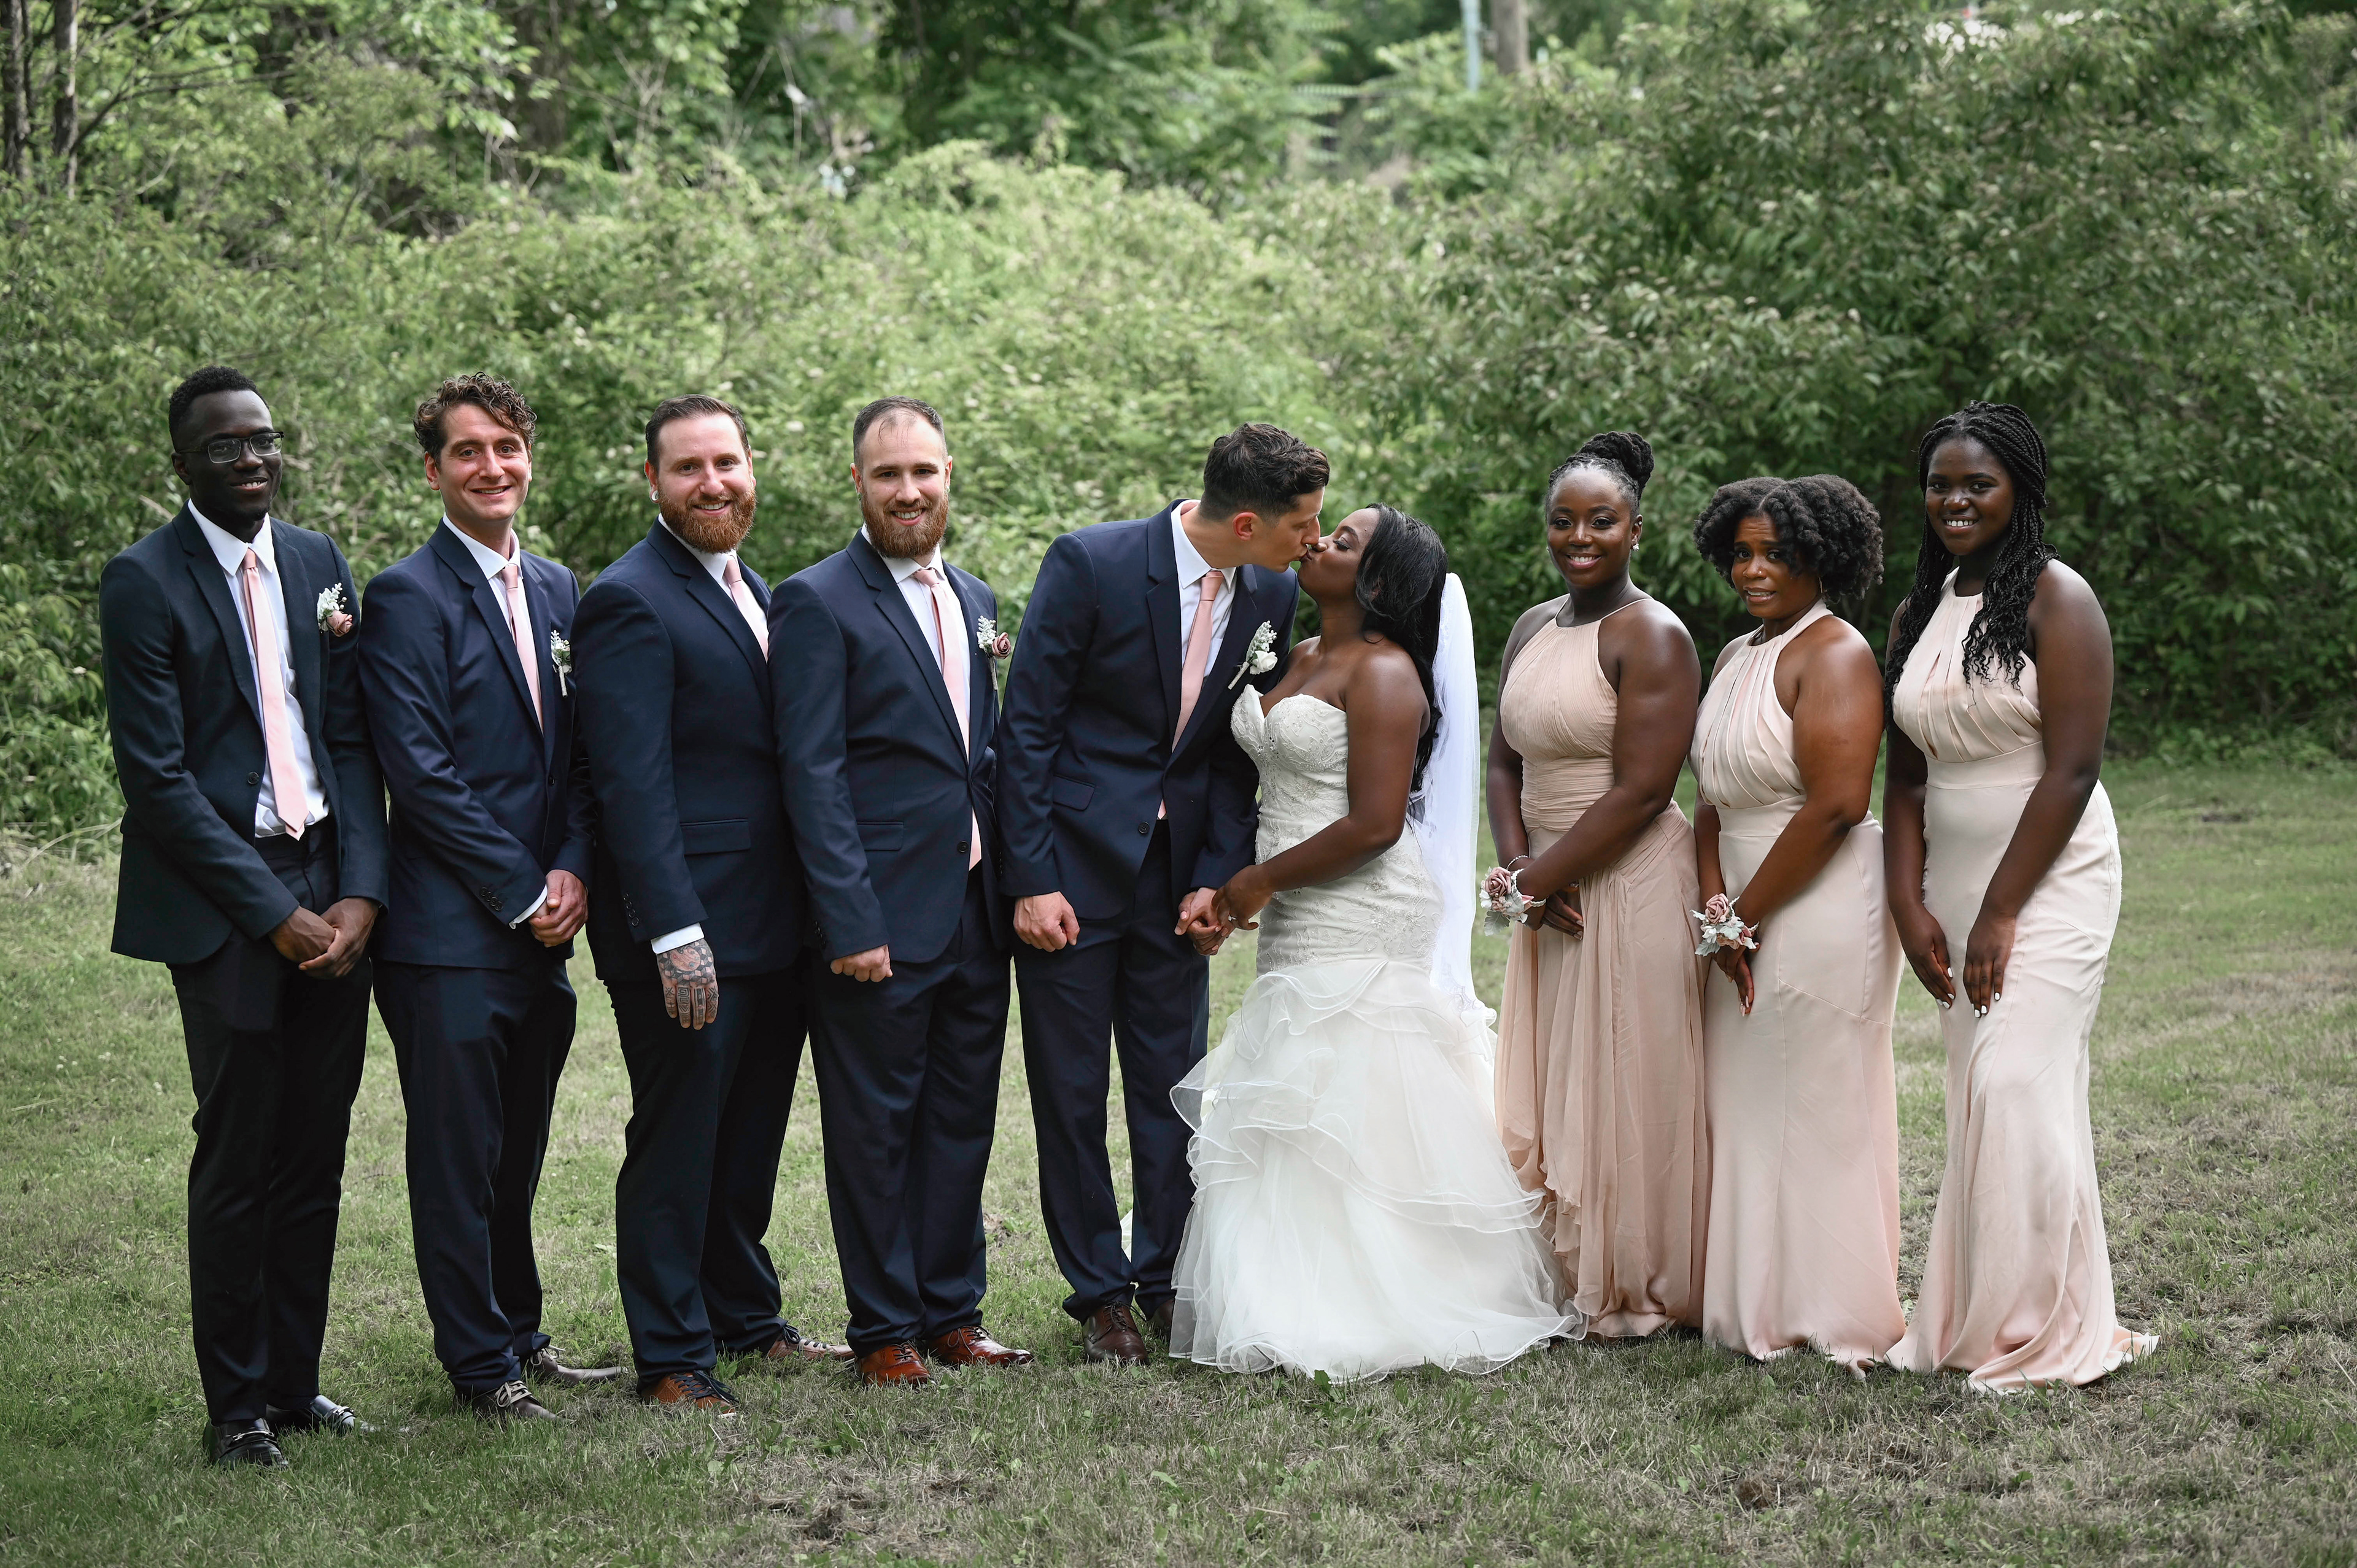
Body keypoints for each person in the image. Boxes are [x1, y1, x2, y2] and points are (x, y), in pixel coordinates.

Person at [1172, 508, 1574, 1379]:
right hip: (1292, 900)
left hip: (1361, 900)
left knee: (1355, 1083)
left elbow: (1375, 824)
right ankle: (1285, 1289)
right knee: (1296, 1089)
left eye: (1344, 542)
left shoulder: (1387, 672)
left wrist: (1255, 884)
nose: (1318, 542)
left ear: (1380, 582)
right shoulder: (1297, 654)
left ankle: (1392, 1294)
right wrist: (1239, 882)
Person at [99, 366, 387, 1467]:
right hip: (227, 902)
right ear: (183, 465)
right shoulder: (144, 580)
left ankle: (294, 1385)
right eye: (225, 446)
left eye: (262, 439)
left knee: (316, 1150)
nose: (252, 459)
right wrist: (274, 913)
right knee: (239, 1153)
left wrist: (359, 890)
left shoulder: (317, 562)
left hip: (331, 881)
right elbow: (158, 781)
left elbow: (350, 737)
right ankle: (237, 1411)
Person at [996, 423, 1319, 1363]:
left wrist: (1216, 873)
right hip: (1070, 878)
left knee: (1171, 1092)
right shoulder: (1090, 564)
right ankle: (1099, 1294)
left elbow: (1234, 753)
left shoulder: (1272, 591)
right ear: (1248, 523)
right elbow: (1030, 728)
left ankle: (1167, 1279)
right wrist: (1032, 879)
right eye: (1302, 523)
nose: (1315, 539)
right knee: (1069, 1095)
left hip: (1177, 886)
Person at [573, 395, 849, 1416]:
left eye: (726, 462)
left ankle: (742, 1314)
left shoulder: (757, 590)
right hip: (685, 929)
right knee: (680, 1138)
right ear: (653, 481)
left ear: (751, 468)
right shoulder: (629, 599)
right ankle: (671, 1356)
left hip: (772, 922)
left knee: (748, 1136)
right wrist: (674, 932)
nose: (712, 483)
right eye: (687, 467)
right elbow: (630, 782)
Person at [357, 375, 618, 1423]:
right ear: (434, 471)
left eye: (507, 447)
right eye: (468, 451)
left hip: (543, 932)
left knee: (518, 1156)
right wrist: (521, 889)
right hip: (446, 937)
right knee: (457, 1161)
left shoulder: (558, 589)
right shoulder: (405, 597)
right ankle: (479, 1367)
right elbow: (419, 773)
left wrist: (575, 868)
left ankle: (521, 1333)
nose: (492, 466)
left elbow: (583, 754)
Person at [1881, 401, 2156, 1391]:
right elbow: (1903, 782)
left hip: (2052, 871)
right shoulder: (1917, 612)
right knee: (1983, 1094)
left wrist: (2000, 912)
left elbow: (2073, 770)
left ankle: (2040, 1332)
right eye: (1941, 484)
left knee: (2017, 1084)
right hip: (1952, 878)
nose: (1955, 501)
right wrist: (1909, 904)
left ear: (2019, 490)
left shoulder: (2058, 598)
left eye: (1978, 484)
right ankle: (1993, 1318)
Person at [772, 398, 1029, 1387]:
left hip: (972, 909)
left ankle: (952, 1313)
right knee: (875, 1129)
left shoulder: (974, 595)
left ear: (947, 475)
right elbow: (812, 772)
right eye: (888, 475)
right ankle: (883, 1331)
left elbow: (980, 756)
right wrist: (849, 918)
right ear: (858, 483)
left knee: (961, 1119)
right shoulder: (816, 600)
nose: (908, 491)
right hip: (874, 917)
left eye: (924, 472)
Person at [1485, 430, 1707, 1339]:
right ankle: (1566, 1267)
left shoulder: (1654, 635)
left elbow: (1645, 789)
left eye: (1601, 521)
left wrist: (1541, 879)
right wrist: (1519, 870)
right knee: (1558, 1074)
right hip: (1550, 885)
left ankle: (1638, 1278)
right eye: (1563, 520)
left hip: (1627, 877)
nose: (1579, 538)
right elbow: (1505, 763)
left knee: (1626, 1075)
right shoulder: (1531, 627)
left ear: (1636, 530)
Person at [1687, 474, 1903, 1372]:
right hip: (1737, 901)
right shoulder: (1735, 654)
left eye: (1776, 554)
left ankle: (1833, 1307)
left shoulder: (1837, 653)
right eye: (1741, 553)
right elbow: (1708, 795)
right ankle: (1756, 1302)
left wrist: (1745, 917)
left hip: (1815, 900)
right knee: (1747, 1104)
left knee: (1818, 1102)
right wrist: (1716, 910)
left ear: (1823, 557)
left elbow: (1838, 805)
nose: (1754, 570)